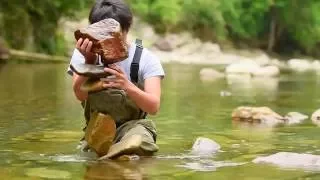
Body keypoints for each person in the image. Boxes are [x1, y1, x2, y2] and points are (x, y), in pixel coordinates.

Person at [67, 0, 165, 158]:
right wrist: (89, 62)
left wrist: (127, 85)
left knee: (141, 139)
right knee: (91, 151)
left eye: (115, 35)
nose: (109, 43)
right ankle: (114, 153)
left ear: (127, 27)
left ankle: (122, 150)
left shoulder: (145, 59)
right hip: (98, 128)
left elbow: (153, 107)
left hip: (132, 127)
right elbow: (80, 95)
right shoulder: (83, 53)